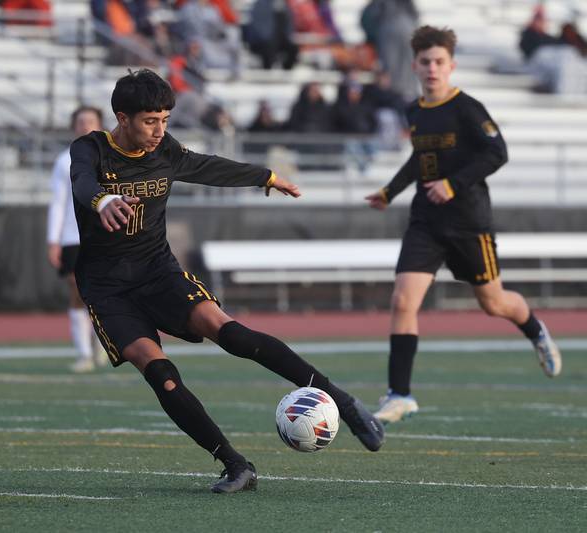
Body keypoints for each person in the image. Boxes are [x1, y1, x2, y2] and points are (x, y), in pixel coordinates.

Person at [70, 69, 384, 494]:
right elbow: (82, 181)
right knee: (161, 374)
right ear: (122, 118)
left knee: (231, 333)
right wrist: (103, 199)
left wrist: (265, 177)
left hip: (157, 271)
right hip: (107, 288)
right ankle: (236, 465)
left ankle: (342, 402)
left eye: (165, 119)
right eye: (150, 121)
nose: (159, 130)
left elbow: (205, 166)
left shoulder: (165, 149)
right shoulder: (89, 149)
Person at [365, 26, 563, 425]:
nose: (433, 68)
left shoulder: (467, 108)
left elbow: (498, 152)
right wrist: (390, 191)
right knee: (403, 300)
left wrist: (454, 184)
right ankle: (399, 394)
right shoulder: (414, 110)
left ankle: (535, 329)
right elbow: (419, 160)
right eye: (425, 62)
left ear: (451, 65)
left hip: (470, 224)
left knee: (494, 304)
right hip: (425, 222)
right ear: (415, 65)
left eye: (439, 62)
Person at [48, 106, 108, 373]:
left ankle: (103, 345)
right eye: (80, 122)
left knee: (104, 294)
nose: (85, 126)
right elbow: (58, 203)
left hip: (105, 234)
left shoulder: (112, 157)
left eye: (90, 122)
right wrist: (54, 240)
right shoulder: (64, 161)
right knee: (76, 293)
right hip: (73, 238)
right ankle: (84, 353)